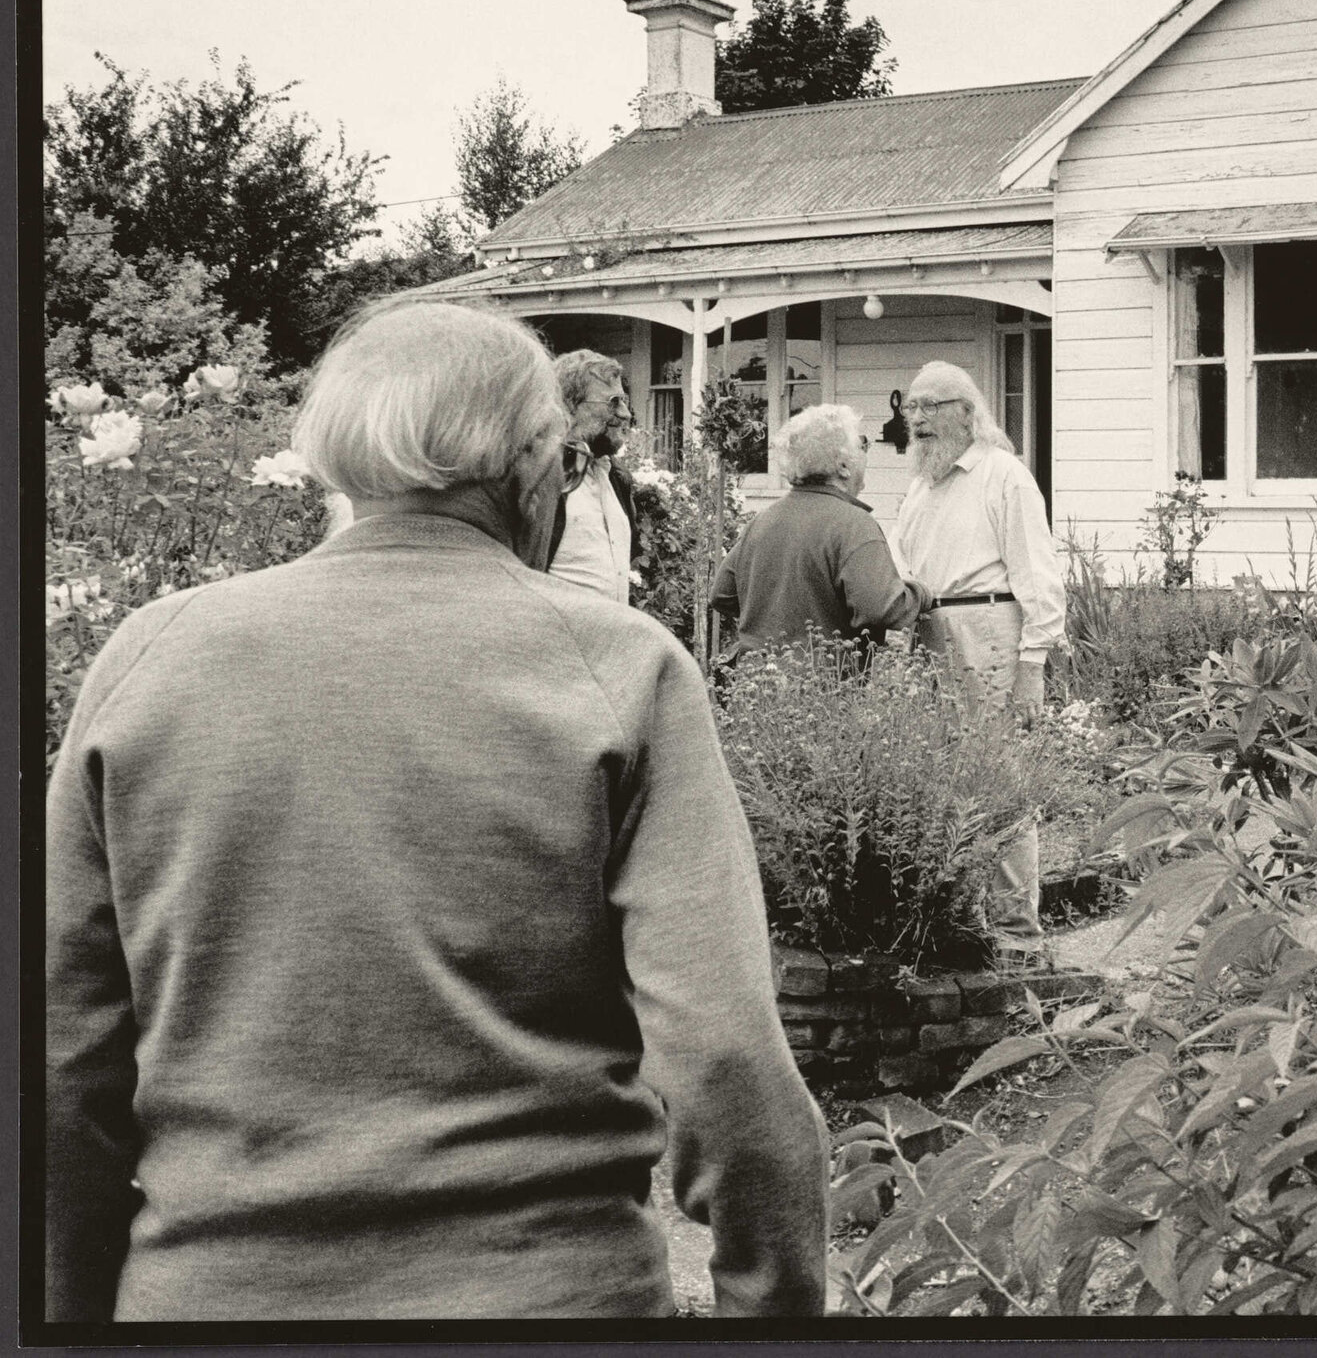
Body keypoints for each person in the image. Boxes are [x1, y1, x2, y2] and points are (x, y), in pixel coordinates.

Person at [45, 301, 828, 1322]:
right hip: (545, 1296)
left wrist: (64, 1309)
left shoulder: (153, 656)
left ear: (337, 465)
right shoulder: (619, 669)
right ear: (538, 465)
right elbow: (724, 1051)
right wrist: (774, 1309)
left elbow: (61, 1053)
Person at [893, 360, 1066, 953]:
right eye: (910, 406)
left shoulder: (1003, 476)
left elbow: (1039, 576)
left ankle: (1018, 932)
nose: (915, 419)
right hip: (931, 629)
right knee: (944, 780)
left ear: (967, 412)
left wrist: (1032, 666)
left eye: (930, 406)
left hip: (990, 626)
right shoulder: (921, 485)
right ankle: (967, 923)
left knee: (1001, 778)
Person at [709, 404, 924, 661]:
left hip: (756, 684)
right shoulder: (854, 524)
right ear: (843, 466)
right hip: (824, 689)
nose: (866, 456)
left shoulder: (763, 520)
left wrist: (778, 621)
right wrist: (922, 594)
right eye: (862, 446)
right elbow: (882, 607)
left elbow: (722, 595)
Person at [547, 348, 638, 602]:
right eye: (613, 402)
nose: (625, 414)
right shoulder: (544, 479)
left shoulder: (615, 477)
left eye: (624, 401)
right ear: (569, 406)